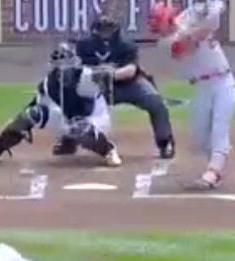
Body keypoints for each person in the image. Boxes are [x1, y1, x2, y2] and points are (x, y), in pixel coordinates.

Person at [0, 41, 124, 166]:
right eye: (58, 66)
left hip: (95, 119)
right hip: (67, 119)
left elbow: (91, 95)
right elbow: (36, 105)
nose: (62, 71)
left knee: (79, 127)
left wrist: (102, 77)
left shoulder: (86, 78)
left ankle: (109, 150)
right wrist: (18, 123)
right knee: (31, 115)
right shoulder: (49, 84)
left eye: (66, 66)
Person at [148, 0, 235, 190]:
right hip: (201, 87)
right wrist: (196, 27)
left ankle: (214, 171)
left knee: (219, 130)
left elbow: (215, 13)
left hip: (223, 82)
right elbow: (195, 39)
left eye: (157, 23)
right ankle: (216, 160)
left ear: (167, 19)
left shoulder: (187, 18)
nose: (156, 29)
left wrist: (208, 8)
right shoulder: (166, 43)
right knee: (199, 138)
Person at [70, 14, 176, 159]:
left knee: (156, 103)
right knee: (73, 100)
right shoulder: (84, 46)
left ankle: (165, 142)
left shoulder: (126, 45)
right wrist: (92, 77)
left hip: (129, 84)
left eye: (108, 30)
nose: (104, 34)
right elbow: (78, 69)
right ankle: (69, 139)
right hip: (99, 87)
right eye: (101, 30)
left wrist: (110, 74)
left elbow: (131, 70)